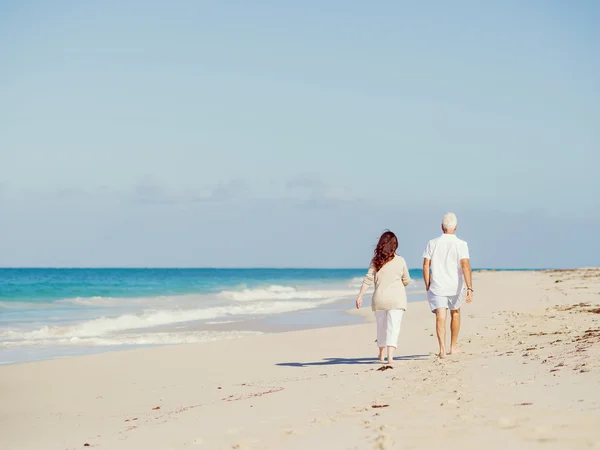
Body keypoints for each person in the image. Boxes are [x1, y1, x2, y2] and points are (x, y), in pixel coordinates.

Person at [356, 230, 411, 367]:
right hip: (397, 299)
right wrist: (399, 283)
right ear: (395, 245)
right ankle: (390, 356)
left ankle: (381, 353)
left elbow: (368, 279)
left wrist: (360, 296)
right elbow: (406, 280)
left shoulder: (376, 260)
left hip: (380, 299)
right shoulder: (401, 260)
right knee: (393, 327)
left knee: (381, 327)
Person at [422, 212, 473, 358]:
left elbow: (426, 265)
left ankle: (442, 349)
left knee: (440, 316)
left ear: (442, 227)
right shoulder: (461, 244)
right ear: (455, 227)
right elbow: (465, 266)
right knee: (455, 313)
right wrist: (469, 288)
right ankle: (453, 346)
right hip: (455, 286)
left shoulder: (432, 243)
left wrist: (427, 284)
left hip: (437, 286)